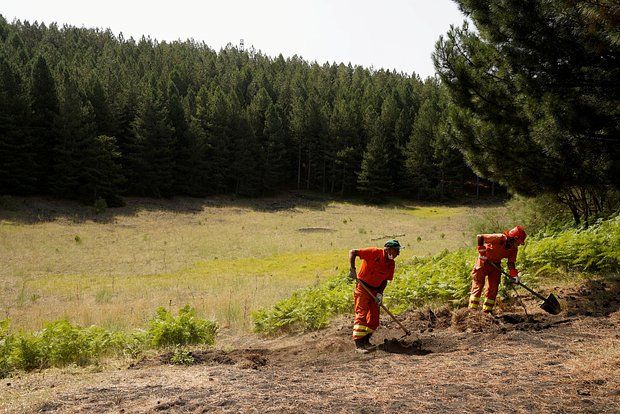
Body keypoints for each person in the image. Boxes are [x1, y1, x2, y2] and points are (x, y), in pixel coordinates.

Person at [349, 239, 401, 352]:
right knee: (361, 314)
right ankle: (359, 345)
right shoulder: (374, 252)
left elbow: (385, 280)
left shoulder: (391, 263)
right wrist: (352, 269)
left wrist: (379, 294)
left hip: (375, 290)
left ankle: (366, 342)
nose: (398, 254)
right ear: (388, 250)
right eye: (396, 251)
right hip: (363, 287)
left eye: (398, 251)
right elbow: (353, 252)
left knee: (374, 320)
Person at [469, 226, 527, 314]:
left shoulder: (514, 249)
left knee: (493, 288)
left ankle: (487, 312)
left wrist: (514, 275)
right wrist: (482, 252)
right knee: (478, 286)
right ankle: (472, 312)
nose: (519, 244)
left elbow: (511, 263)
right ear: (514, 238)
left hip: (495, 265)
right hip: (484, 262)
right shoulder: (500, 238)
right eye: (519, 242)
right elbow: (480, 237)